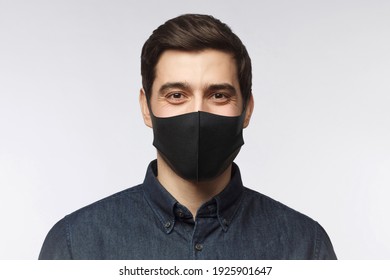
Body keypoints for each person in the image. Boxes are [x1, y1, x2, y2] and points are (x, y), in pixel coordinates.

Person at [39, 14, 337, 260]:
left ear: (247, 109)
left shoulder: (306, 246)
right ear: (146, 108)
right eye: (177, 95)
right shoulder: (75, 245)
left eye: (218, 95)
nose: (197, 113)